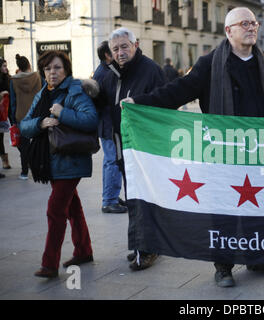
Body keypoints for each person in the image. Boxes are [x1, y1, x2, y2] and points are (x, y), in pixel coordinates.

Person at [122, 7, 264, 287]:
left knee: (262, 206)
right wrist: (140, 104)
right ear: (229, 31)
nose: (252, 27)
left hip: (263, 151)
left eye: (254, 23)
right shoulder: (209, 63)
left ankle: (259, 258)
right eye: (244, 23)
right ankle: (223, 266)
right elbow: (177, 90)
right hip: (223, 153)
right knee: (224, 210)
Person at [19, 51, 99, 278]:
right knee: (72, 207)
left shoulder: (74, 91)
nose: (52, 73)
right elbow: (25, 125)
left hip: (70, 158)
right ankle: (84, 250)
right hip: (49, 160)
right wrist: (41, 122)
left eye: (57, 68)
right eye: (47, 69)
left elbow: (91, 119)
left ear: (66, 70)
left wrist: (62, 113)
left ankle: (49, 264)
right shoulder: (43, 93)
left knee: (55, 210)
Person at [97, 27, 166, 271]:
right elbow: (101, 99)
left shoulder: (150, 70)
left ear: (135, 45)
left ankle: (147, 249)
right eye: (115, 49)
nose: (120, 52)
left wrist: (140, 104)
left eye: (124, 46)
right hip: (124, 148)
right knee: (135, 198)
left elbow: (165, 103)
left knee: (144, 198)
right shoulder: (111, 74)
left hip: (146, 149)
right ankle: (142, 244)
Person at [93, 41, 127, 214]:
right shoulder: (103, 74)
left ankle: (113, 195)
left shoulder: (106, 71)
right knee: (112, 161)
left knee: (113, 160)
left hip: (110, 124)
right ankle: (109, 200)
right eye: (114, 50)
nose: (118, 52)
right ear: (107, 55)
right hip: (108, 125)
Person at [9, 54, 42, 180]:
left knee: (24, 146)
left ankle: (24, 172)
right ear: (29, 65)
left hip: (21, 116)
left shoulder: (14, 80)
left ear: (19, 67)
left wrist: (13, 119)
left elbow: (13, 102)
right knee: (39, 142)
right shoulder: (37, 76)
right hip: (37, 114)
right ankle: (40, 168)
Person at [0, 58, 11, 174]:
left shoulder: (8, 78)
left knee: (2, 137)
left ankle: (5, 161)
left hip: (6, 112)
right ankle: (4, 161)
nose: (6, 68)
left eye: (6, 65)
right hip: (1, 112)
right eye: (3, 66)